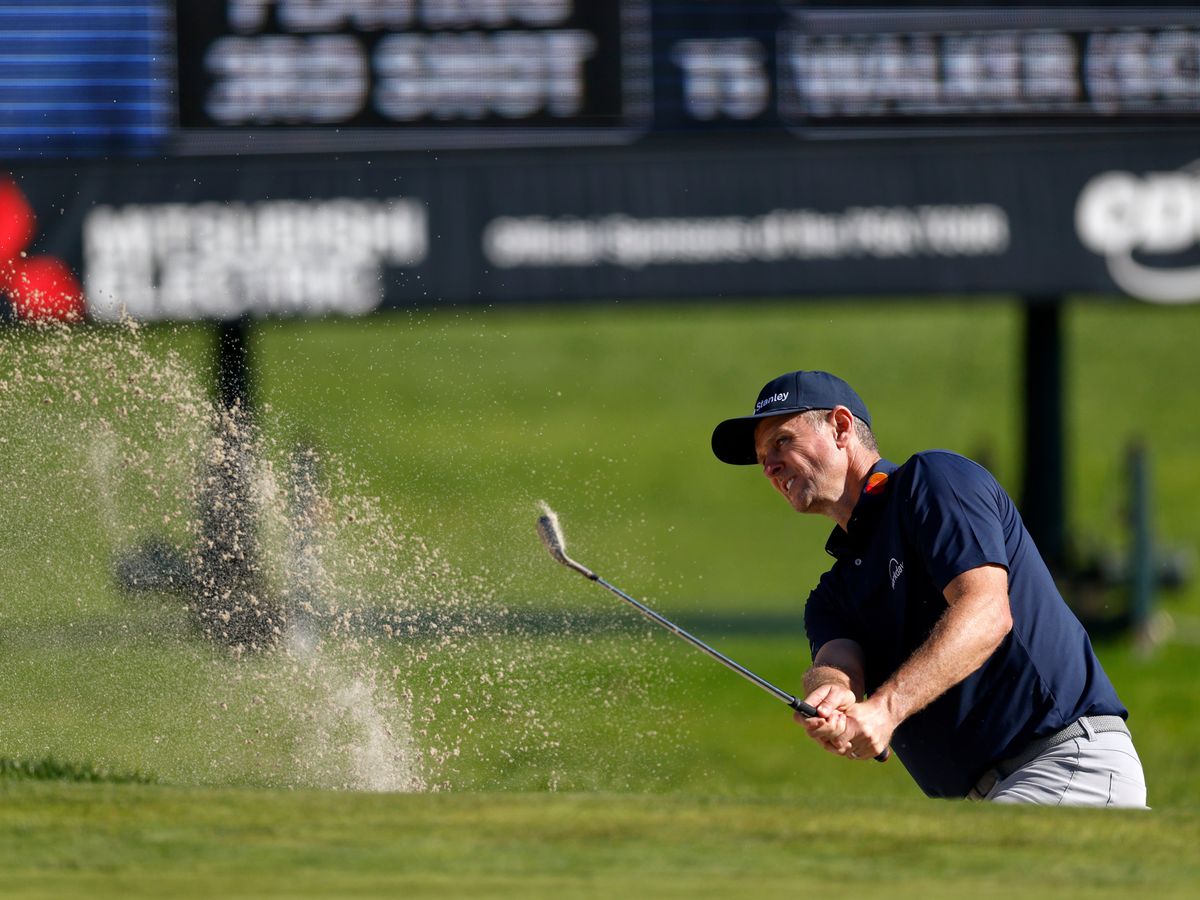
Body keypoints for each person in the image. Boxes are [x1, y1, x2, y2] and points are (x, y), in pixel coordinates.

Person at [711, 369, 1147, 806]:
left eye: (782, 441)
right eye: (762, 456)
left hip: (1061, 764)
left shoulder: (931, 481)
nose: (768, 466)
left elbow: (987, 611)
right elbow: (836, 661)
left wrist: (884, 710)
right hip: (997, 796)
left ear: (841, 427)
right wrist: (832, 693)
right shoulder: (833, 593)